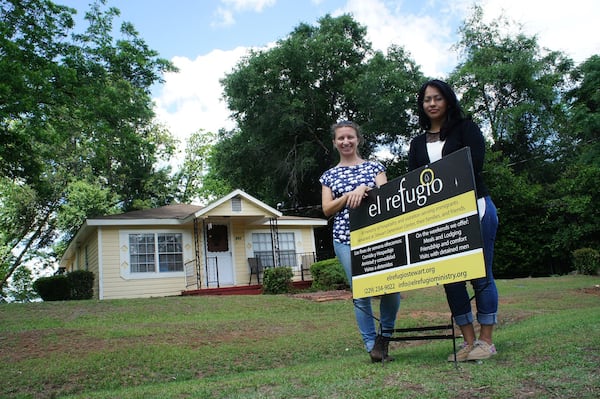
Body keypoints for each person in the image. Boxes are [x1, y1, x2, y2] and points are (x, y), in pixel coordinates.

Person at [408, 79, 499, 362]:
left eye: (437, 98)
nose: (432, 104)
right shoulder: (416, 143)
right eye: (426, 100)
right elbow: (414, 184)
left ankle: (486, 341)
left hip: (475, 209)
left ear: (448, 100)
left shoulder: (467, 129)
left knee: (481, 275)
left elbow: (475, 166)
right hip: (440, 219)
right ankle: (468, 342)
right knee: (451, 279)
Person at [320, 120, 401, 363]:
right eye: (340, 138)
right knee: (361, 292)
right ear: (335, 143)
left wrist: (364, 188)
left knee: (391, 288)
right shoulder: (328, 176)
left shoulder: (375, 168)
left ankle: (384, 339)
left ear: (358, 139)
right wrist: (347, 196)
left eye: (350, 137)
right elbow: (327, 209)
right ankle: (371, 345)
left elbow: (386, 196)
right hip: (345, 238)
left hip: (377, 235)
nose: (346, 141)